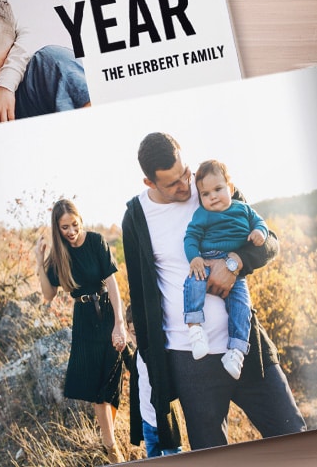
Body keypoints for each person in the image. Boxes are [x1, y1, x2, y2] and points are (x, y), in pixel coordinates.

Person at [121, 132, 306, 450]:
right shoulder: (136, 219)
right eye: (173, 184)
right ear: (150, 183)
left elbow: (269, 242)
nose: (186, 186)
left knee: (295, 436)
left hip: (246, 346)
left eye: (185, 173)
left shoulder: (212, 186)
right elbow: (140, 296)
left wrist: (236, 262)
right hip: (191, 359)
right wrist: (152, 363)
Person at [35, 199, 128, 464]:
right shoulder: (58, 258)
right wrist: (40, 261)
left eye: (74, 224)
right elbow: (48, 294)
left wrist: (119, 324)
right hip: (84, 320)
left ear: (80, 220)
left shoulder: (97, 241)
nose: (71, 231)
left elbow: (112, 283)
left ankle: (107, 436)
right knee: (99, 386)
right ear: (57, 228)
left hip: (108, 313)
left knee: (113, 381)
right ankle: (111, 447)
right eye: (65, 227)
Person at [183, 159, 268, 380]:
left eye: (218, 189)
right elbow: (191, 236)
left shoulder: (244, 209)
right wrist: (194, 258)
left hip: (236, 272)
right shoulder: (202, 214)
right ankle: (195, 328)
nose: (212, 197)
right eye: (205, 193)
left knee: (242, 307)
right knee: (193, 283)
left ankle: (236, 351)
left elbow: (261, 224)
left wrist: (260, 233)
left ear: (230, 188)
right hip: (208, 260)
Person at [125, 304, 182, 458]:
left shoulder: (160, 352)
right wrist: (123, 349)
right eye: (134, 333)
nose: (139, 338)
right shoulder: (137, 354)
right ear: (128, 332)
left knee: (174, 458)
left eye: (142, 332)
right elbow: (134, 369)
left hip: (166, 420)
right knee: (153, 459)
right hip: (147, 422)